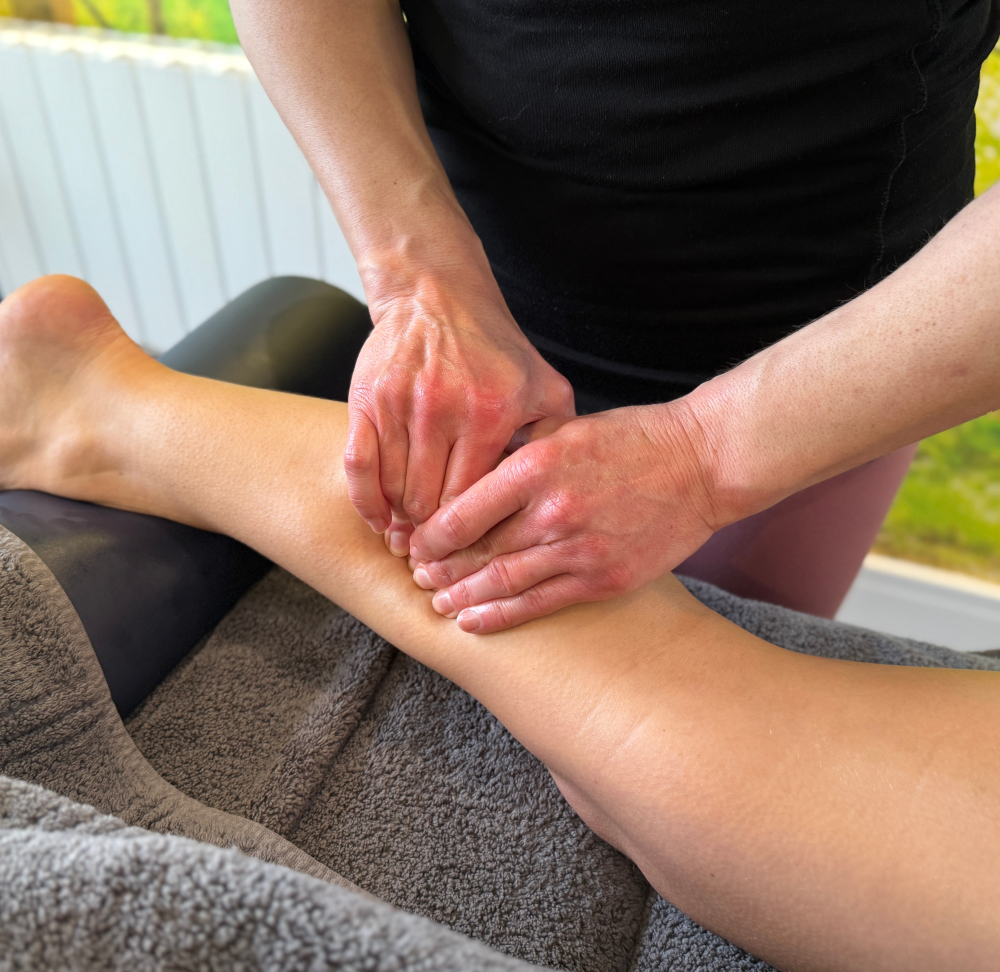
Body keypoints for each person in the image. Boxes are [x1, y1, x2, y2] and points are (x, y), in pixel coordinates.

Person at [1, 273, 998, 971]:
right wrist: (412, 273)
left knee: (651, 758)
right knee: (665, 729)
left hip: (837, 258)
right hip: (532, 215)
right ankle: (107, 407)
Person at [223, 0, 999, 628]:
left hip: (824, 349)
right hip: (467, 265)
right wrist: (419, 282)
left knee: (679, 721)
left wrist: (702, 457)